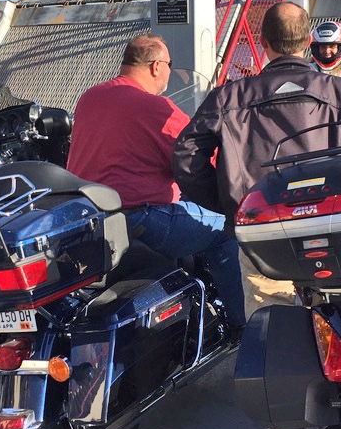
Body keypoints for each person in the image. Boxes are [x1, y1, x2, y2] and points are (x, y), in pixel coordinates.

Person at [172, 2, 341, 429]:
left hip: (265, 239)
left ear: (266, 43)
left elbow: (186, 154)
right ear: (306, 42)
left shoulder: (229, 96)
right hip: (340, 240)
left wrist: (234, 205)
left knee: (276, 341)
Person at [66, 33, 246, 330]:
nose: (169, 72)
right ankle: (246, 328)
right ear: (156, 66)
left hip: (94, 219)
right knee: (226, 231)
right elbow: (193, 158)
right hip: (144, 217)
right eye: (169, 65)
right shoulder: (156, 107)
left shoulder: (90, 97)